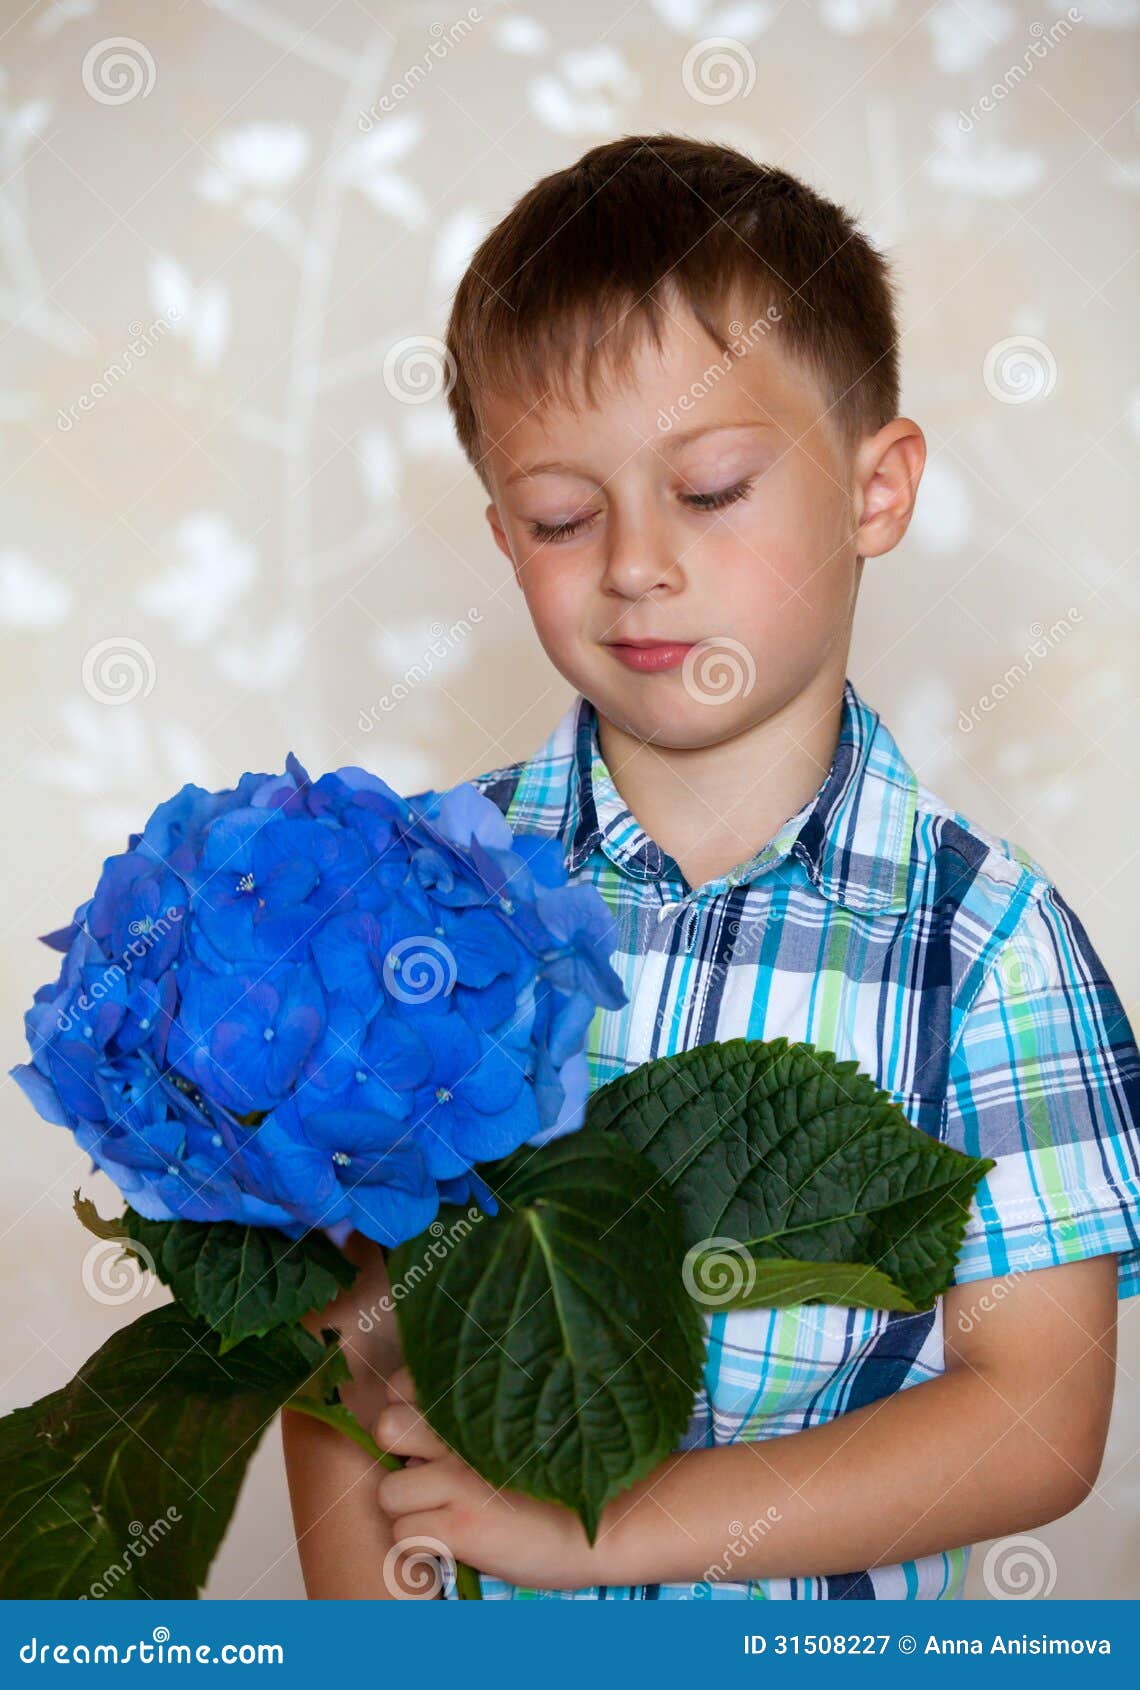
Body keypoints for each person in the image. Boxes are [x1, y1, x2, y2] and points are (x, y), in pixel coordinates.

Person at [282, 133, 1140, 1601]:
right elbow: (337, 1343)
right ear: (502, 534)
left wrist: (606, 1526)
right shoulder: (423, 895)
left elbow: (1031, 1417)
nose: (635, 563)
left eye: (715, 487)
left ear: (877, 490)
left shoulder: (984, 946)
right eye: (561, 517)